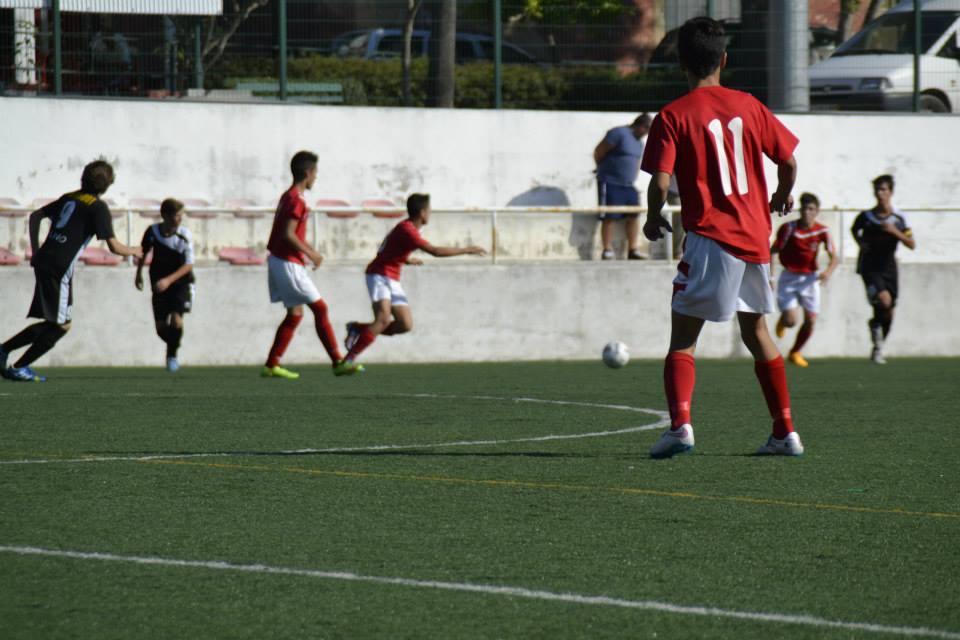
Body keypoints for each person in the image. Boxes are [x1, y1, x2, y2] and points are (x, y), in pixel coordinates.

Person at [640, 17, 803, 458]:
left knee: (683, 337)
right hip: (755, 238)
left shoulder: (673, 115)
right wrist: (780, 196)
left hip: (711, 236)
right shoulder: (750, 105)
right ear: (724, 59)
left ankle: (681, 427)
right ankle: (785, 432)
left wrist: (653, 217)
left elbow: (660, 181)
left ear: (680, 62)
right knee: (757, 332)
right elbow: (788, 163)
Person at [0, 160, 142, 381]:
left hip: (45, 259)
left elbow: (35, 216)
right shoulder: (97, 207)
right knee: (61, 325)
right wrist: (135, 250)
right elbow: (114, 247)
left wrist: (36, 250)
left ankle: (10, 356)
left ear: (83, 178)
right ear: (107, 184)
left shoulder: (70, 197)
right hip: (60, 267)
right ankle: (16, 363)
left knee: (56, 322)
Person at [342, 193, 486, 364]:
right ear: (422, 212)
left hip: (392, 277)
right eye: (429, 210)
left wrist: (406, 260)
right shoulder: (408, 230)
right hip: (379, 275)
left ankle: (357, 328)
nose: (430, 213)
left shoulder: (408, 228)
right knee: (383, 319)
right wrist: (467, 250)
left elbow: (387, 249)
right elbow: (435, 251)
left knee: (405, 324)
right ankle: (348, 360)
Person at [262, 150, 361, 379]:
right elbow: (288, 234)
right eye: (315, 172)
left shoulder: (287, 196)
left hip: (280, 260)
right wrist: (312, 254)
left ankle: (271, 364)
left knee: (295, 314)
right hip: (287, 262)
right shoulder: (296, 200)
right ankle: (338, 362)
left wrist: (306, 254)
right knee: (320, 308)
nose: (316, 177)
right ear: (308, 173)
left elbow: (286, 234)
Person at [851, 174, 915, 364]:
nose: (880, 193)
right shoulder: (866, 216)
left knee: (889, 312)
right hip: (869, 267)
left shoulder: (899, 218)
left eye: (883, 189)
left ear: (890, 192)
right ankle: (876, 330)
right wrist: (860, 243)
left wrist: (894, 232)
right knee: (884, 301)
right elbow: (854, 230)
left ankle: (878, 345)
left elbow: (911, 243)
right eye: (877, 190)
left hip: (889, 268)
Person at [770, 192, 839, 368]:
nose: (807, 212)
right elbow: (773, 251)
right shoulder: (788, 228)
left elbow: (834, 257)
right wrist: (771, 277)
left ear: (817, 211)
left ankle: (795, 352)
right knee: (791, 321)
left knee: (811, 321)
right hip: (789, 277)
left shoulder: (822, 231)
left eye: (811, 209)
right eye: (804, 209)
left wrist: (828, 272)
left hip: (810, 279)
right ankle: (784, 320)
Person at [134, 198, 195, 372]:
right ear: (165, 216)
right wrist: (138, 274)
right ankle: (173, 346)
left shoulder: (184, 235)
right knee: (161, 329)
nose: (180, 219)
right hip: (158, 283)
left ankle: (172, 356)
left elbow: (188, 265)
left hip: (180, 283)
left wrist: (168, 280)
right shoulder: (152, 232)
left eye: (181, 215)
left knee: (176, 320)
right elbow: (143, 252)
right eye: (176, 215)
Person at [594, 113, 651, 260]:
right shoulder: (618, 133)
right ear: (640, 125)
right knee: (609, 216)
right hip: (610, 182)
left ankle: (633, 250)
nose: (646, 133)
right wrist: (602, 169)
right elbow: (599, 151)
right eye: (646, 129)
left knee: (634, 215)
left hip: (629, 185)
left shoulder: (639, 142)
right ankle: (607, 250)